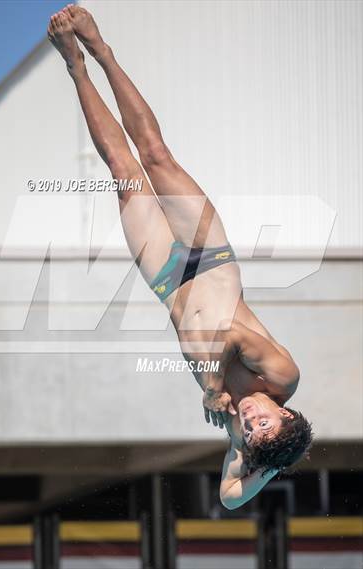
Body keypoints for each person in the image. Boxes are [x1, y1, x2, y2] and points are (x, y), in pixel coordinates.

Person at [47, 4, 313, 510]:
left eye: (252, 431)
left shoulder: (245, 438)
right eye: (266, 421)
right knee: (154, 154)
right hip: (209, 257)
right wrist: (213, 386)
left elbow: (232, 497)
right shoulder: (283, 377)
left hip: (168, 279)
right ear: (289, 415)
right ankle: (101, 51)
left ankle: (75, 67)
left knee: (121, 170)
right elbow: (228, 335)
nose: (253, 416)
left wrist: (272, 459)